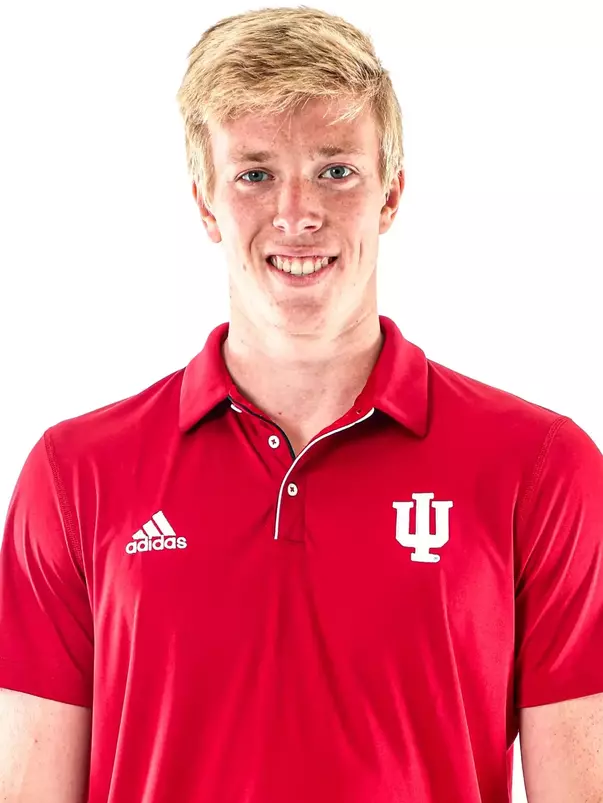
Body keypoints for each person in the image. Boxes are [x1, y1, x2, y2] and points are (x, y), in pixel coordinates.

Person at [1, 6, 602, 802]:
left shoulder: (541, 467)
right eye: (254, 173)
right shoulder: (75, 474)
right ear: (205, 204)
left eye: (334, 169)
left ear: (390, 193)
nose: (296, 213)